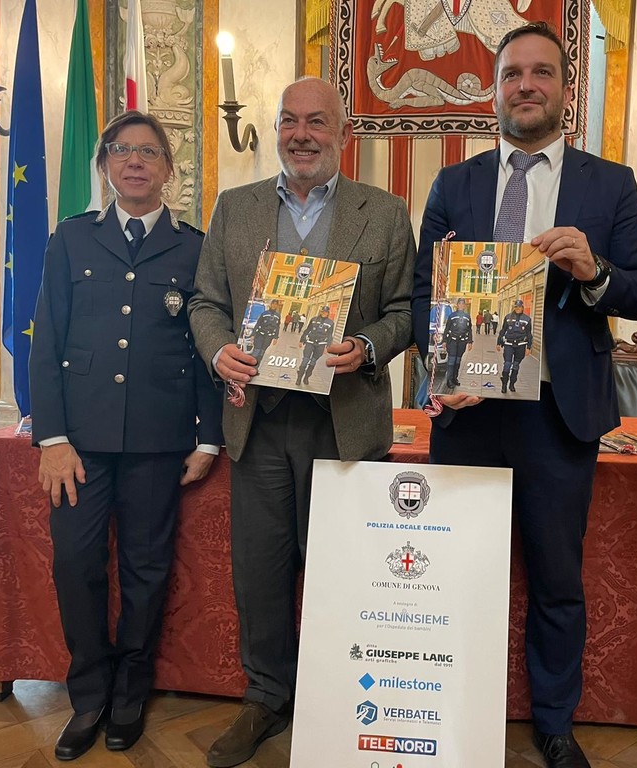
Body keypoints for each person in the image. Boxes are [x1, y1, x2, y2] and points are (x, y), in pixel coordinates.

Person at [411, 21, 637, 768]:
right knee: (459, 576)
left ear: (565, 89)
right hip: (470, 416)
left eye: (541, 72)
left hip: (559, 415)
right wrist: (440, 370)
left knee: (556, 580)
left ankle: (553, 723)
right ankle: (454, 712)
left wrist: (595, 272)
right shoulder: (454, 184)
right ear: (493, 91)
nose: (526, 85)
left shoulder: (609, 183)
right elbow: (423, 293)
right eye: (512, 73)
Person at [188, 77, 415, 767]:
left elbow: (405, 310)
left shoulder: (385, 212)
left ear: (343, 134)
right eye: (289, 120)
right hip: (257, 421)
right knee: (259, 571)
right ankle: (265, 696)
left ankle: (338, 697)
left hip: (341, 425)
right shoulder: (235, 208)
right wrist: (219, 350)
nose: (301, 134)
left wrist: (367, 345)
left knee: (341, 571)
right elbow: (205, 302)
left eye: (317, 121)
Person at [29, 111, 223, 761]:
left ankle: (131, 692)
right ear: (105, 165)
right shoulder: (71, 238)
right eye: (120, 151)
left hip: (158, 440)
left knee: (146, 568)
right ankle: (89, 695)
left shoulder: (194, 247)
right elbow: (47, 342)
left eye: (148, 152)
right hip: (79, 443)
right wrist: (52, 437)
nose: (134, 161)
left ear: (168, 169)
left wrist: (209, 438)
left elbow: (206, 346)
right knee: (76, 562)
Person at [496, 298, 534, 393]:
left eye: (519, 307)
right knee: (507, 364)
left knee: (516, 365)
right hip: (509, 344)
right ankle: (504, 384)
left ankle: (512, 384)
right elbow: (503, 330)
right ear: (514, 307)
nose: (517, 308)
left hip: (521, 345)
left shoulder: (527, 319)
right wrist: (498, 342)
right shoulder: (508, 317)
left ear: (522, 307)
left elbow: (529, 334)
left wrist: (529, 347)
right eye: (516, 306)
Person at [296, 304, 335, 386]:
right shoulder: (314, 319)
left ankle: (306, 377)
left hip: (321, 344)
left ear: (328, 313)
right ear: (320, 312)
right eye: (323, 311)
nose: (324, 313)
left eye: (326, 312)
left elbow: (329, 335)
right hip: (310, 342)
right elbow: (307, 330)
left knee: (313, 361)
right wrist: (301, 340)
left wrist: (327, 347)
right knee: (305, 360)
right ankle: (299, 378)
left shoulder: (330, 323)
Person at [442, 297, 474, 387]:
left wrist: (470, 342)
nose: (461, 305)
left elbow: (469, 330)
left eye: (463, 304)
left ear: (464, 306)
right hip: (452, 341)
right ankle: (449, 380)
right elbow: (447, 328)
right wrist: (444, 340)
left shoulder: (467, 317)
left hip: (462, 342)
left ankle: (454, 378)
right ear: (457, 305)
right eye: (460, 303)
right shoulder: (452, 316)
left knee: (458, 360)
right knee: (452, 360)